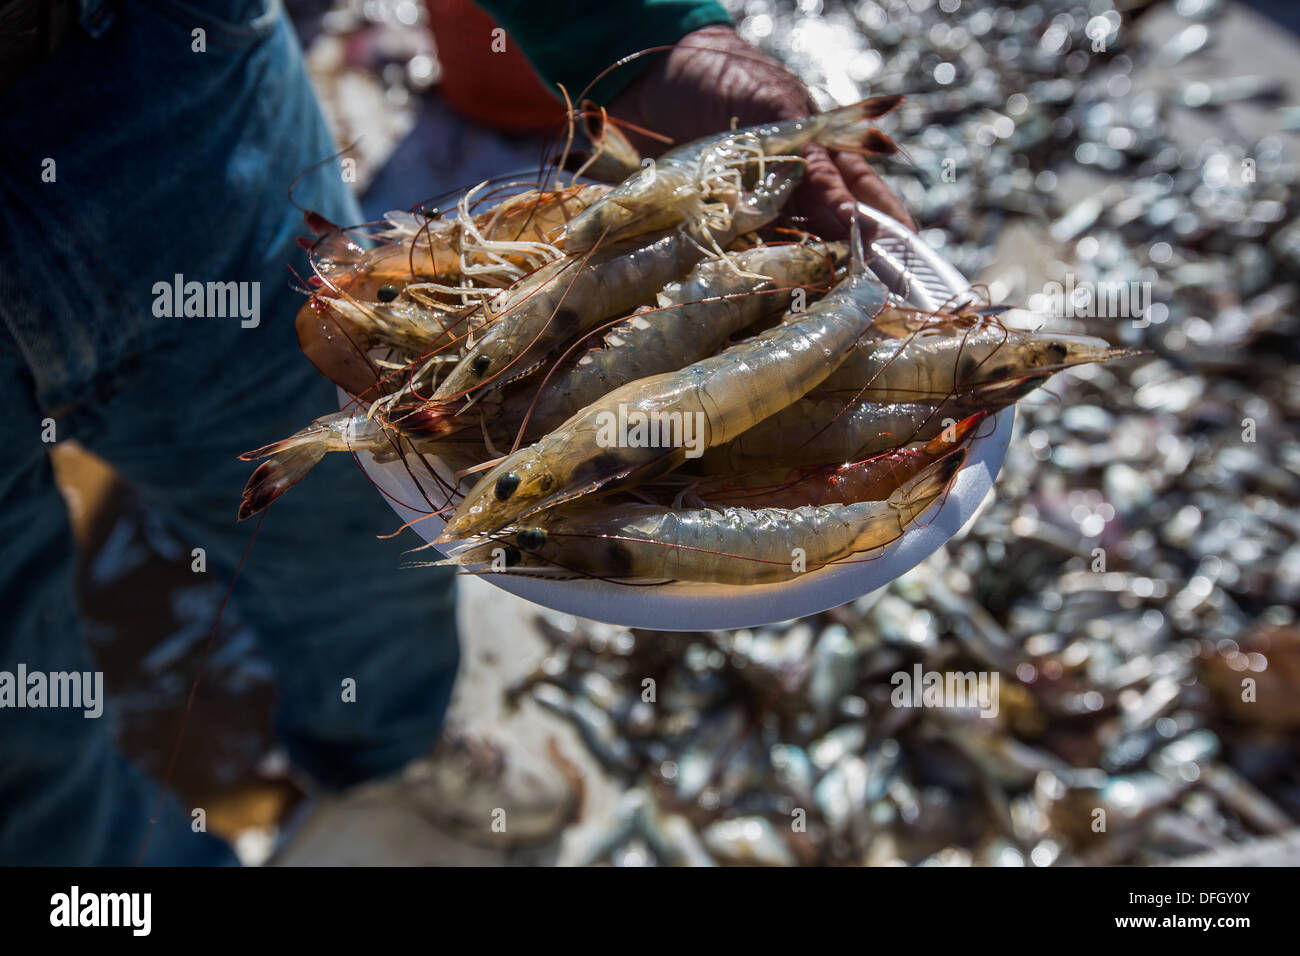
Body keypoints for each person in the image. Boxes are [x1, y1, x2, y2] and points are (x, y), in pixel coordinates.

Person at [0, 0, 911, 865]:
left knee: (353, 543)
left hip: (150, 83)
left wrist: (637, 25)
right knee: (22, 751)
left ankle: (385, 753)